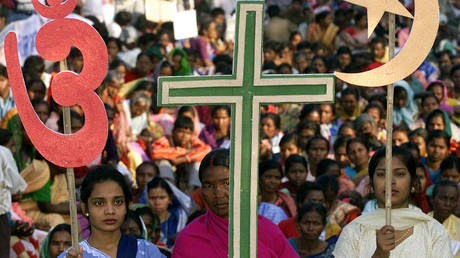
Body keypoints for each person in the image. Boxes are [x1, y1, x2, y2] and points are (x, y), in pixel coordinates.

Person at [171, 149, 299, 257]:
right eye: (209, 185)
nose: (218, 193)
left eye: (227, 183)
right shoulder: (189, 239)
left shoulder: (267, 231)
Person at [333, 146, 452, 257]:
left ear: (413, 183)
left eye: (400, 174)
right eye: (381, 174)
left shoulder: (434, 232)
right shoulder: (354, 231)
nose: (390, 181)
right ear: (371, 185)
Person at [59, 165, 165, 257]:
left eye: (118, 202)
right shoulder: (72, 255)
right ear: (85, 207)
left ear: (127, 205)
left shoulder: (147, 251)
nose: (110, 211)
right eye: (99, 203)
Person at [151, 115, 211, 189]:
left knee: (197, 164)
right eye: (181, 132)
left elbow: (207, 150)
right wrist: (185, 151)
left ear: (191, 135)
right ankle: (172, 192)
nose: (184, 136)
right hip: (171, 176)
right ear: (173, 131)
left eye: (188, 133)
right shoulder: (166, 140)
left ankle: (191, 195)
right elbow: (155, 153)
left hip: (187, 177)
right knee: (163, 163)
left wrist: (184, 159)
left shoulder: (193, 141)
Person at [145, 177, 191, 248]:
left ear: (170, 198)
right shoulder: (143, 220)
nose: (157, 202)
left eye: (162, 198)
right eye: (153, 198)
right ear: (147, 198)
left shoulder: (178, 218)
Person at [429, 180, 460, 257]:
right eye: (443, 198)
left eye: (452, 199)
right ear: (432, 199)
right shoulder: (420, 224)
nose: (447, 204)